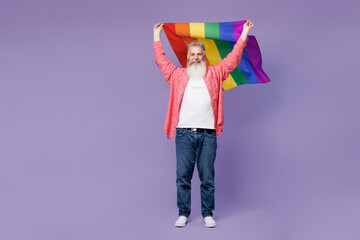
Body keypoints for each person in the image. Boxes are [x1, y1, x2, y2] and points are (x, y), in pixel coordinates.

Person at [153, 20, 254, 228]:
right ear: (188, 57)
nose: (196, 57)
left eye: (199, 54)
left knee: (207, 178)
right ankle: (183, 213)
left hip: (208, 135)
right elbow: (161, 61)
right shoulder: (177, 75)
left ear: (204, 57)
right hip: (183, 135)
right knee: (183, 177)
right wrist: (156, 36)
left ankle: (207, 213)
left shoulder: (215, 74)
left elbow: (233, 59)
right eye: (193, 54)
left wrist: (244, 33)